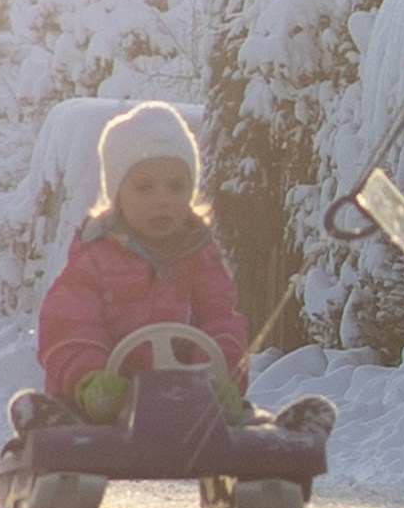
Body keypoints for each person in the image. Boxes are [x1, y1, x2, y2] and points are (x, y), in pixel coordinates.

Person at [35, 104, 249, 418]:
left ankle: (294, 431)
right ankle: (37, 423)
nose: (162, 198)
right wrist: (89, 377)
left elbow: (222, 321)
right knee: (58, 423)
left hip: (186, 402)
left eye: (176, 187)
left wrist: (221, 375)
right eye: (145, 188)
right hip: (105, 405)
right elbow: (68, 325)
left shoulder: (202, 260)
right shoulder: (93, 260)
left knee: (241, 422)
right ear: (118, 194)